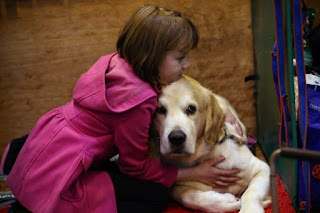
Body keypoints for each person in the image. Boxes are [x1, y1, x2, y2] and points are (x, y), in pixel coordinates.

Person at [7, 4, 240, 213]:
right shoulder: (137, 102)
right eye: (180, 58)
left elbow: (187, 87)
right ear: (154, 58)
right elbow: (135, 167)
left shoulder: (117, 63)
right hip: (62, 181)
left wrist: (220, 106)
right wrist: (192, 174)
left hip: (44, 149)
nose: (186, 65)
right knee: (154, 198)